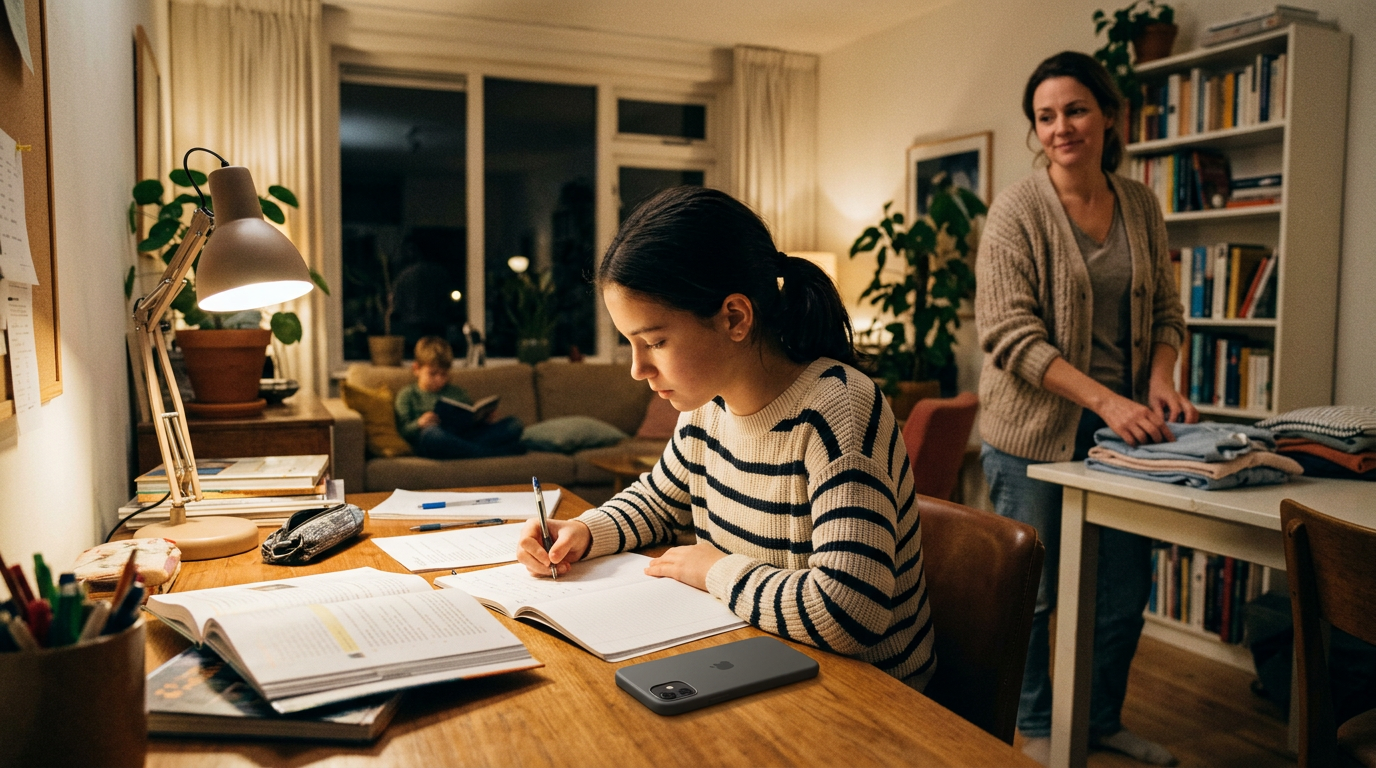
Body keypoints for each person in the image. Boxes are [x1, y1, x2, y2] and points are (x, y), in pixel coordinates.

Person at [515, 186, 937, 689]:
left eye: (654, 341)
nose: (637, 368)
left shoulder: (838, 409)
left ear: (734, 317)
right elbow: (659, 504)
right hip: (766, 663)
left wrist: (714, 570)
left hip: (871, 699)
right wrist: (584, 532)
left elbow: (848, 611)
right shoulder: (707, 412)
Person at [976, 51, 1195, 766]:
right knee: (1036, 597)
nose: (1061, 127)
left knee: (1122, 591)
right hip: (1032, 434)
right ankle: (1038, 727)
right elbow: (1008, 336)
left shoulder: (1140, 203)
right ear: (1035, 131)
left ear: (1108, 116)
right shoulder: (1016, 209)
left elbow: (1166, 311)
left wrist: (1161, 378)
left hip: (1129, 433)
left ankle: (1099, 718)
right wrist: (1107, 400)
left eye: (1074, 110)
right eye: (1045, 117)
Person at [394, 336, 524, 459]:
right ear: (416, 369)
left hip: (464, 437)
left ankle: (475, 451)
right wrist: (419, 423)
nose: (439, 380)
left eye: (444, 374)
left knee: (514, 424)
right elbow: (402, 431)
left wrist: (484, 419)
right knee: (432, 435)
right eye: (432, 374)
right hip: (436, 440)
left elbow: (470, 419)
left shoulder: (457, 392)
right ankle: (491, 452)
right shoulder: (408, 395)